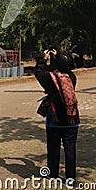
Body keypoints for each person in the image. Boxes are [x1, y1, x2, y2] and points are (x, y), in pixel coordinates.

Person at [35, 48, 80, 182]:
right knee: (70, 150)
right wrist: (57, 59)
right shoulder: (72, 77)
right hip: (71, 118)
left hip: (54, 119)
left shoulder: (49, 78)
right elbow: (62, 70)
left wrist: (44, 59)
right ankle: (70, 177)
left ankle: (53, 174)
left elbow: (38, 72)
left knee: (53, 148)